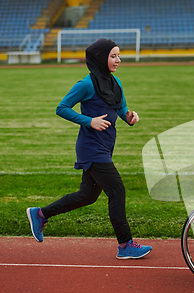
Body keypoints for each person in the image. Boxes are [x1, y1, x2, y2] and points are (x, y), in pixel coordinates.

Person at [26, 38, 152, 259]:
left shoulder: (116, 83)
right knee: (117, 190)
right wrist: (89, 120)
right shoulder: (86, 84)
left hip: (106, 145)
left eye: (118, 55)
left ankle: (40, 214)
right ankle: (125, 245)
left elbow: (121, 109)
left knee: (87, 196)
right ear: (100, 58)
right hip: (91, 148)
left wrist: (130, 117)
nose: (118, 60)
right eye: (113, 56)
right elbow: (62, 108)